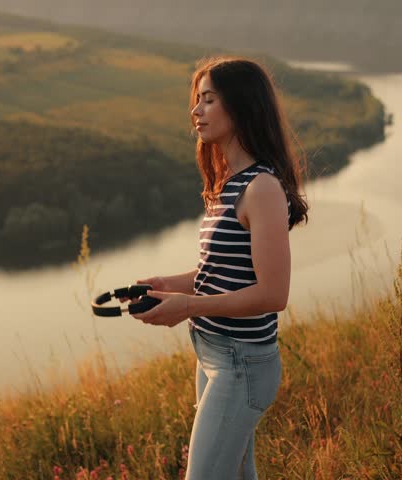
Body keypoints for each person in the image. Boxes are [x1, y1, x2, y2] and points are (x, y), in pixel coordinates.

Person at [126, 56, 310, 479]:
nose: (195, 110)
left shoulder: (261, 187)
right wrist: (165, 285)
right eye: (197, 100)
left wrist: (187, 306)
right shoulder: (228, 183)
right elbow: (222, 269)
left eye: (208, 100)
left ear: (241, 105)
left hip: (242, 363)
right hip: (212, 355)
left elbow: (272, 295)